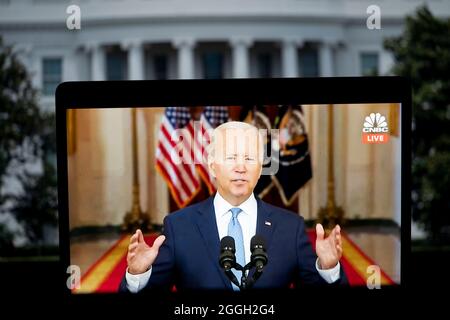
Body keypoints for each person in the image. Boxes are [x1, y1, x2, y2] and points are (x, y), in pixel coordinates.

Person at [120, 121, 346, 292]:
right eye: (231, 157)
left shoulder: (290, 227)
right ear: (212, 165)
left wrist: (328, 269)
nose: (241, 167)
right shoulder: (179, 226)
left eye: (249, 158)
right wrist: (137, 275)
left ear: (260, 168)